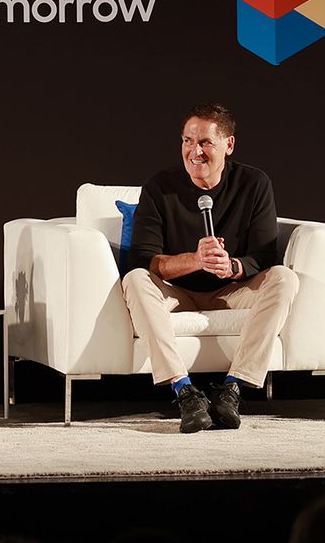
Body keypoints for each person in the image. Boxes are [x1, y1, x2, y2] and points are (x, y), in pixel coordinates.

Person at [123, 103, 299, 434]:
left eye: (205, 142)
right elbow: (143, 259)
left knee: (284, 278)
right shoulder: (160, 186)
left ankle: (232, 390)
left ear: (228, 145)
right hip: (177, 292)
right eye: (188, 141)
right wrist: (196, 259)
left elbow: (263, 257)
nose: (194, 151)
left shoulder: (254, 183)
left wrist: (231, 265)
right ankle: (185, 391)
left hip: (232, 289)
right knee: (134, 279)